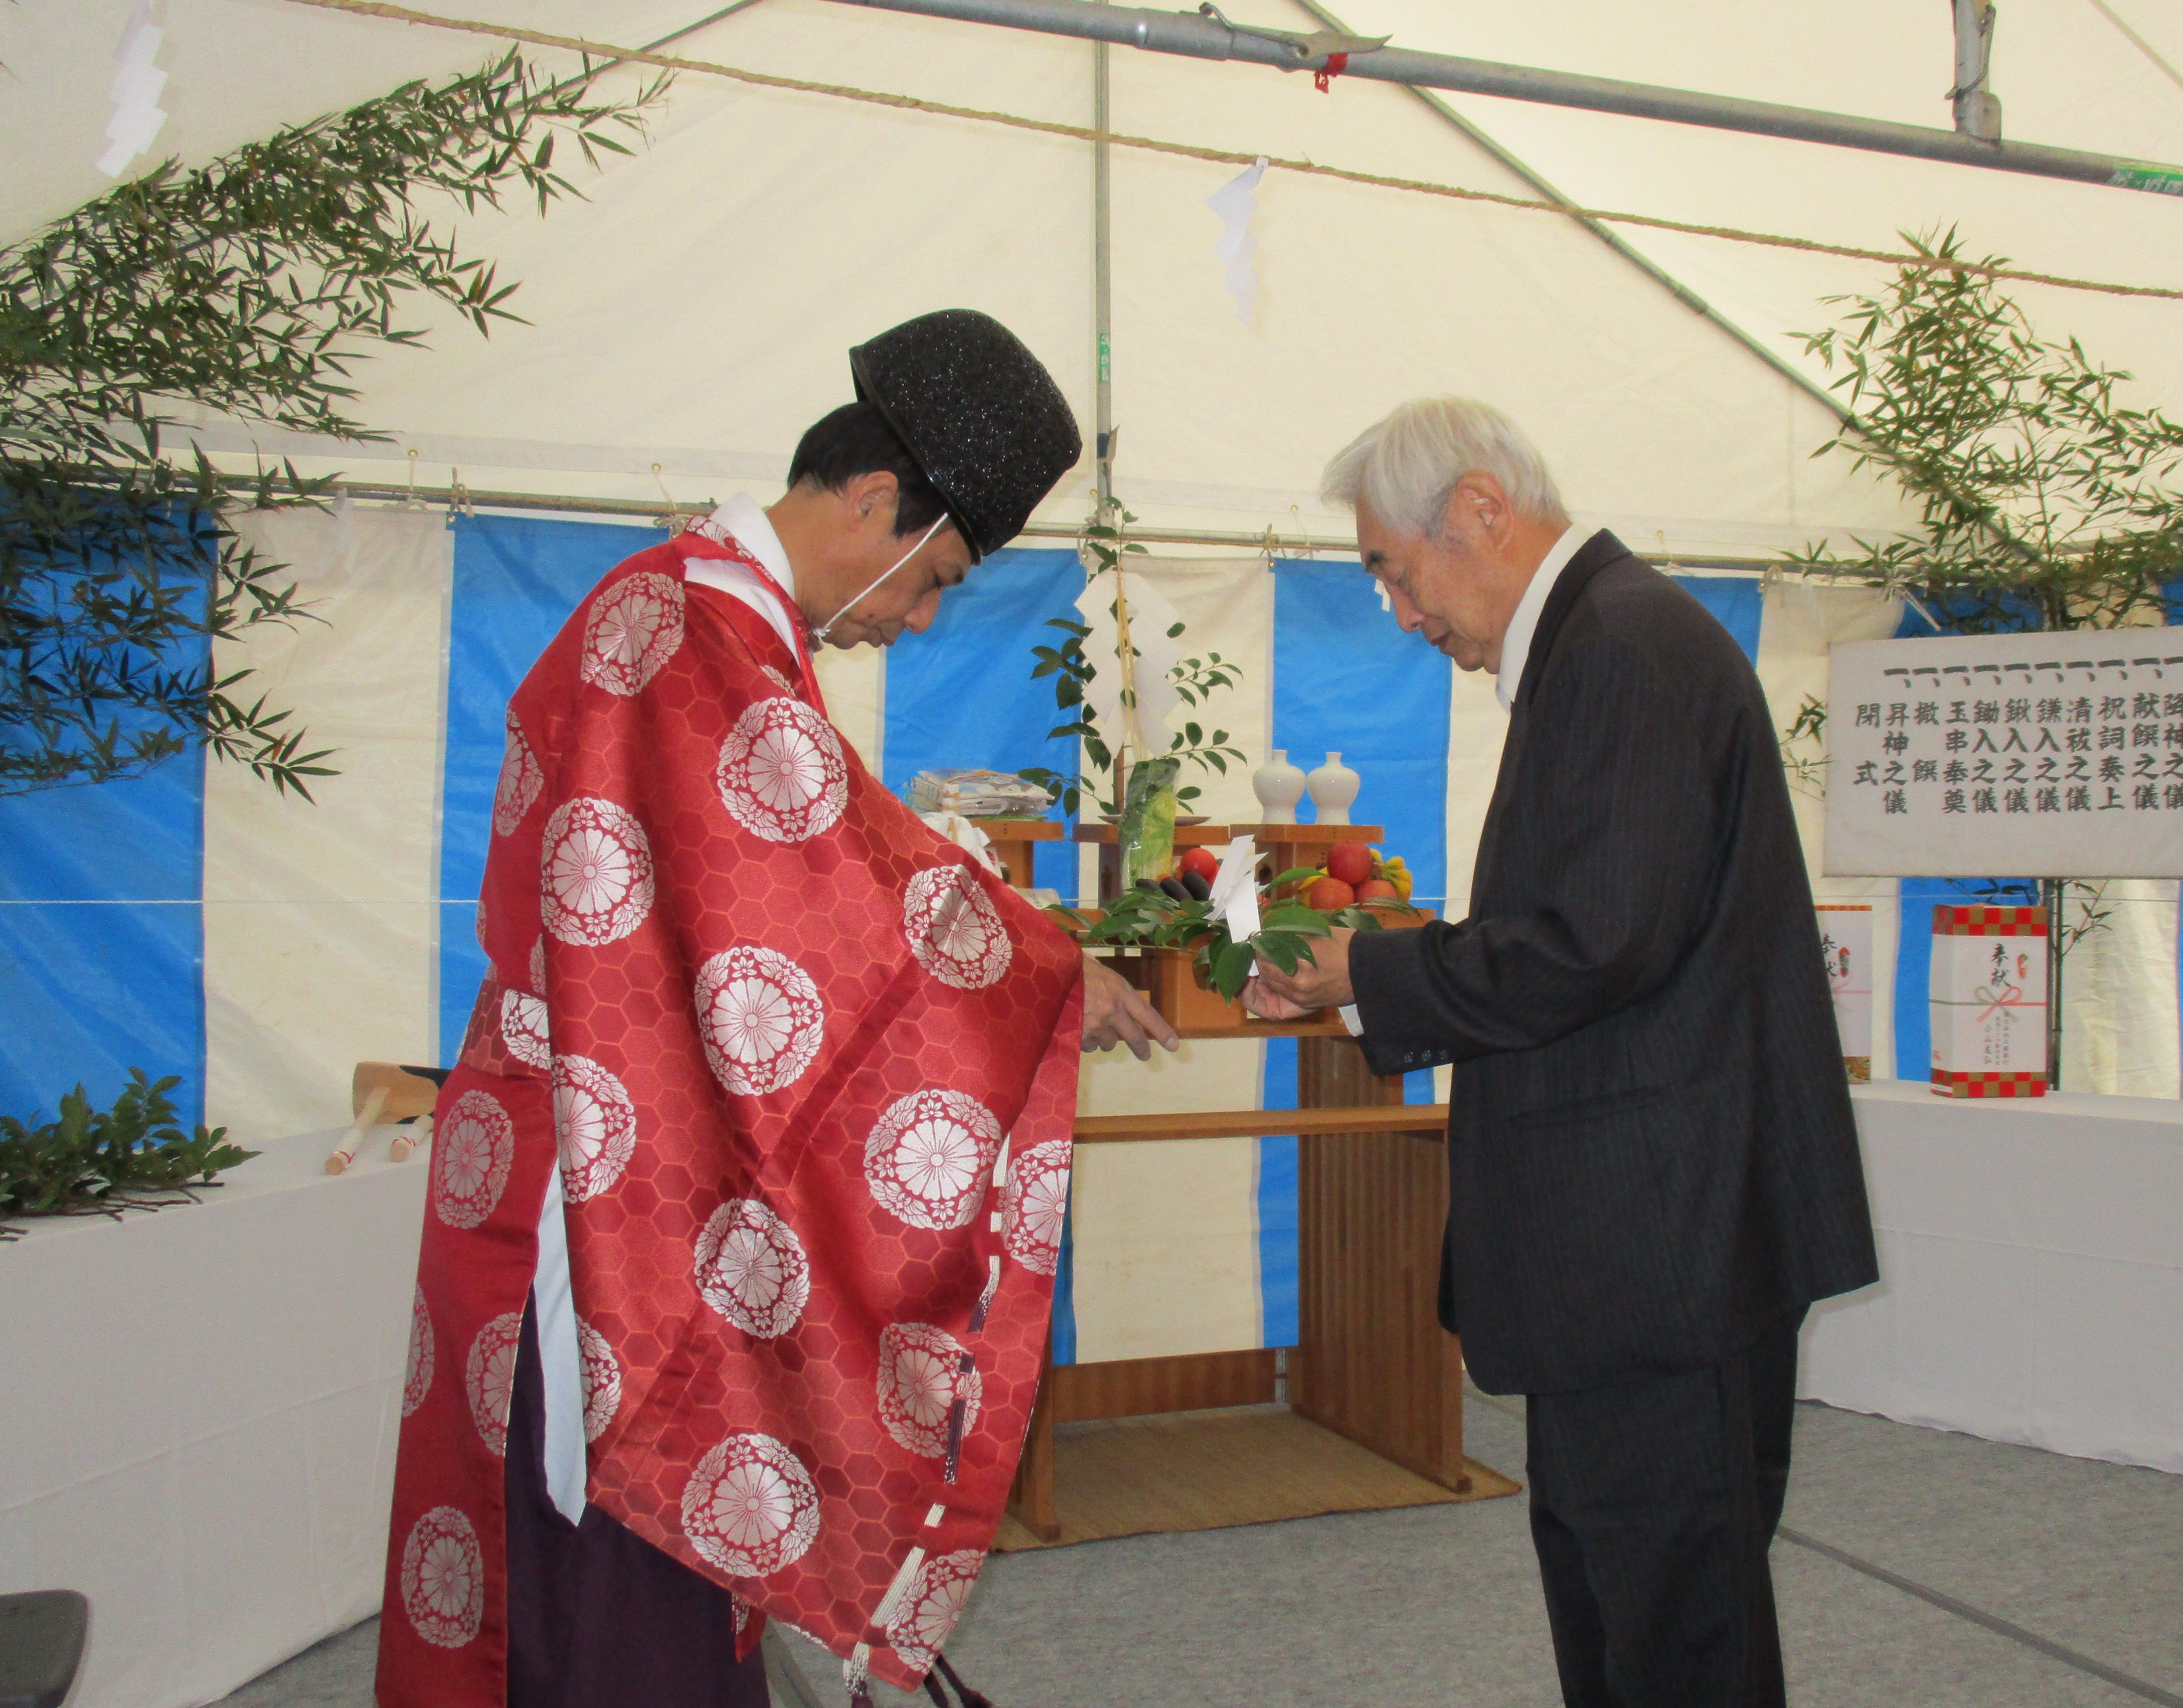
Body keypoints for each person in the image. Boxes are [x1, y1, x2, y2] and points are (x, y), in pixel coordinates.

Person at [377, 310, 1176, 1708]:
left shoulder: (706, 618)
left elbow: (797, 871)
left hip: (605, 1151)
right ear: (873, 500)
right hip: (587, 1189)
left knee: (630, 1590)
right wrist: (1041, 973)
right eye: (929, 579)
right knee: (598, 1611)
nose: (918, 618)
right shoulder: (687, 625)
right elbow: (817, 897)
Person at [1244, 398, 1877, 1708]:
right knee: (1625, 1602)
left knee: (1669, 1629)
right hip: (1641, 1244)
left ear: (1478, 509)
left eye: (1392, 571)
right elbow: (1593, 930)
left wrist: (1364, 969)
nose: (1403, 616)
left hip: (1660, 1245)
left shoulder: (1620, 654)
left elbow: (1591, 943)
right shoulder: (1609, 642)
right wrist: (1381, 972)